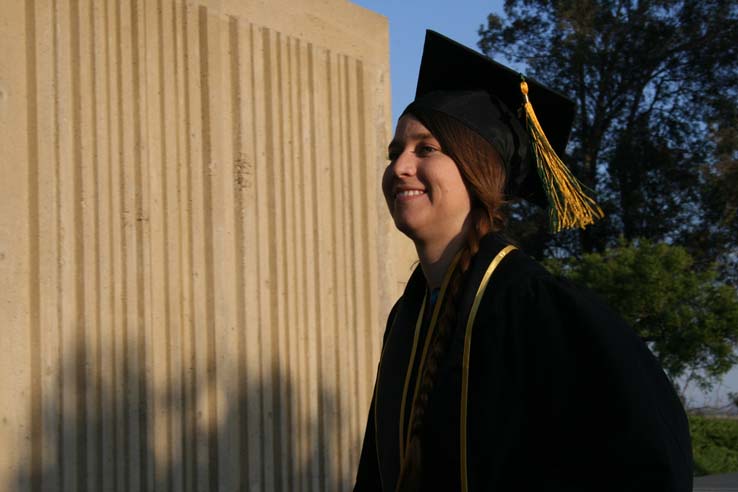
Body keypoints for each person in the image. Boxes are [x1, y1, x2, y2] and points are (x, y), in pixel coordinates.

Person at [353, 31, 692, 491]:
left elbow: (650, 459)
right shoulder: (408, 317)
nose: (399, 167)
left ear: (479, 170)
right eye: (395, 153)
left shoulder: (541, 307)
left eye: (425, 149)